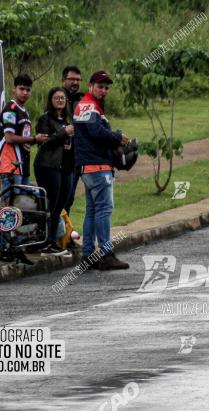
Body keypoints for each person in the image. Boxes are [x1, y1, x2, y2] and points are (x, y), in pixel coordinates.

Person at [73, 70, 131, 270]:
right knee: (104, 210)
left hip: (88, 167)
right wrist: (117, 136)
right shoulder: (89, 105)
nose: (104, 90)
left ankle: (88, 255)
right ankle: (106, 254)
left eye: (106, 87)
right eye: (100, 86)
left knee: (92, 211)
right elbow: (96, 132)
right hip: (97, 168)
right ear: (90, 86)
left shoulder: (87, 106)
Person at [34, 87, 75, 257]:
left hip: (66, 167)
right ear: (50, 100)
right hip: (48, 165)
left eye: (62, 98)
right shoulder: (45, 119)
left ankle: (53, 239)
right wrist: (63, 133)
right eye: (56, 97)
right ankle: (46, 241)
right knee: (51, 203)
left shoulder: (67, 120)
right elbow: (44, 142)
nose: (60, 100)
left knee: (61, 204)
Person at [0, 74, 47, 197]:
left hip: (22, 165)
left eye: (28, 90)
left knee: (24, 203)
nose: (25, 92)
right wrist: (34, 139)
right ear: (14, 89)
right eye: (21, 89)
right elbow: (9, 137)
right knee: (10, 207)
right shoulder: (11, 109)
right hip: (11, 166)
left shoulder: (24, 111)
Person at [61, 65, 84, 225]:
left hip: (77, 157)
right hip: (60, 159)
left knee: (69, 199)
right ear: (63, 80)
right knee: (59, 199)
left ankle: (65, 236)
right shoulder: (58, 97)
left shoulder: (82, 100)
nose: (75, 82)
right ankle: (56, 237)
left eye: (78, 79)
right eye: (72, 79)